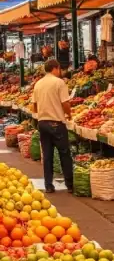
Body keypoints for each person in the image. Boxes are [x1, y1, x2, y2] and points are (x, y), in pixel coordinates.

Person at [30, 59, 73, 193]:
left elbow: (34, 106)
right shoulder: (59, 83)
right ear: (55, 68)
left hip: (42, 123)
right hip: (57, 124)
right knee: (64, 154)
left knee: (47, 155)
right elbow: (65, 103)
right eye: (59, 69)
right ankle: (70, 185)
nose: (59, 71)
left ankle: (48, 185)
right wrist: (69, 114)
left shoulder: (38, 84)